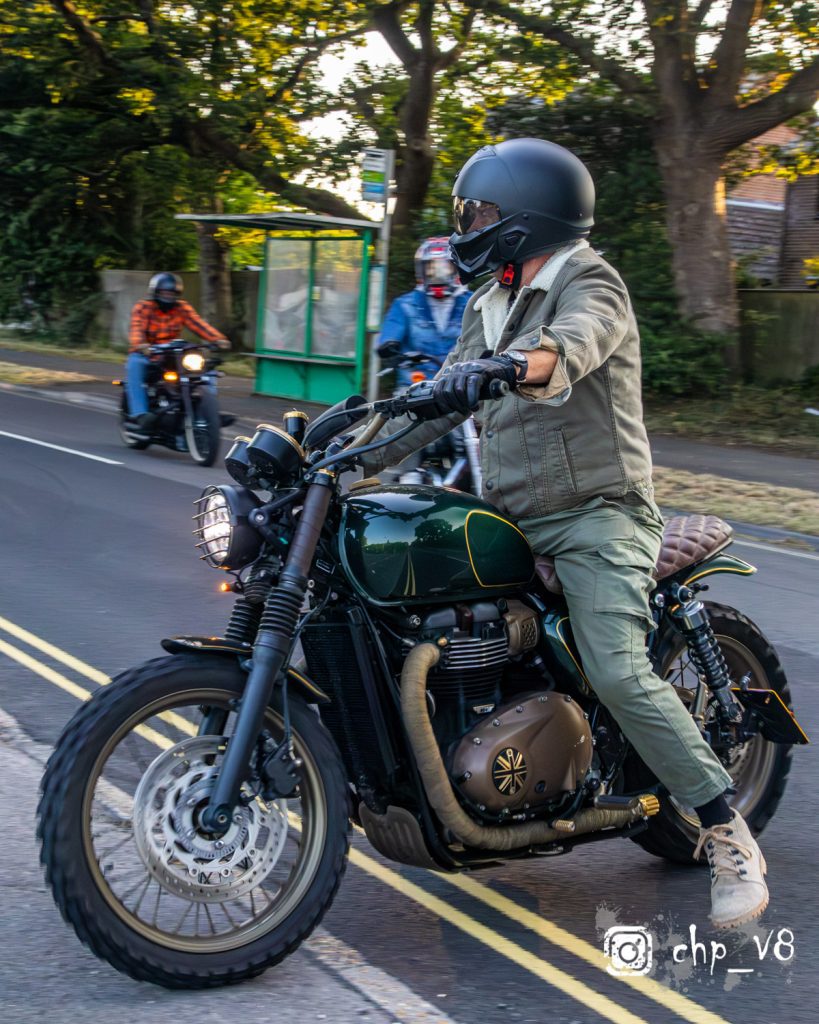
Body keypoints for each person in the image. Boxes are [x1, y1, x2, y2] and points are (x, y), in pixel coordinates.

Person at [363, 138, 768, 930]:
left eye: (477, 212)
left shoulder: (587, 278)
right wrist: (336, 454)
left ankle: (726, 832)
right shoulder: (490, 302)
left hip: (596, 515)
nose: (466, 226)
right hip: (509, 514)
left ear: (522, 218)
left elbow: (575, 341)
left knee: (618, 669)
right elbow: (437, 403)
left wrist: (522, 363)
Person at [126, 272, 230, 429]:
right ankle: (140, 414)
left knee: (206, 371)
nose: (168, 296)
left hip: (172, 353)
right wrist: (141, 345)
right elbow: (136, 329)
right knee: (135, 364)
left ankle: (210, 412)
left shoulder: (181, 307)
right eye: (164, 292)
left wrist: (218, 340)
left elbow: (199, 325)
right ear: (155, 292)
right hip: (147, 352)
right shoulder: (144, 307)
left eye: (172, 293)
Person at [377, 237, 469, 388]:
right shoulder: (404, 305)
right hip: (414, 389)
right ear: (421, 270)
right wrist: (390, 348)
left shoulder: (473, 303)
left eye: (444, 267)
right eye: (431, 268)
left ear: (456, 268)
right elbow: (388, 337)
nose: (437, 274)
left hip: (459, 388)